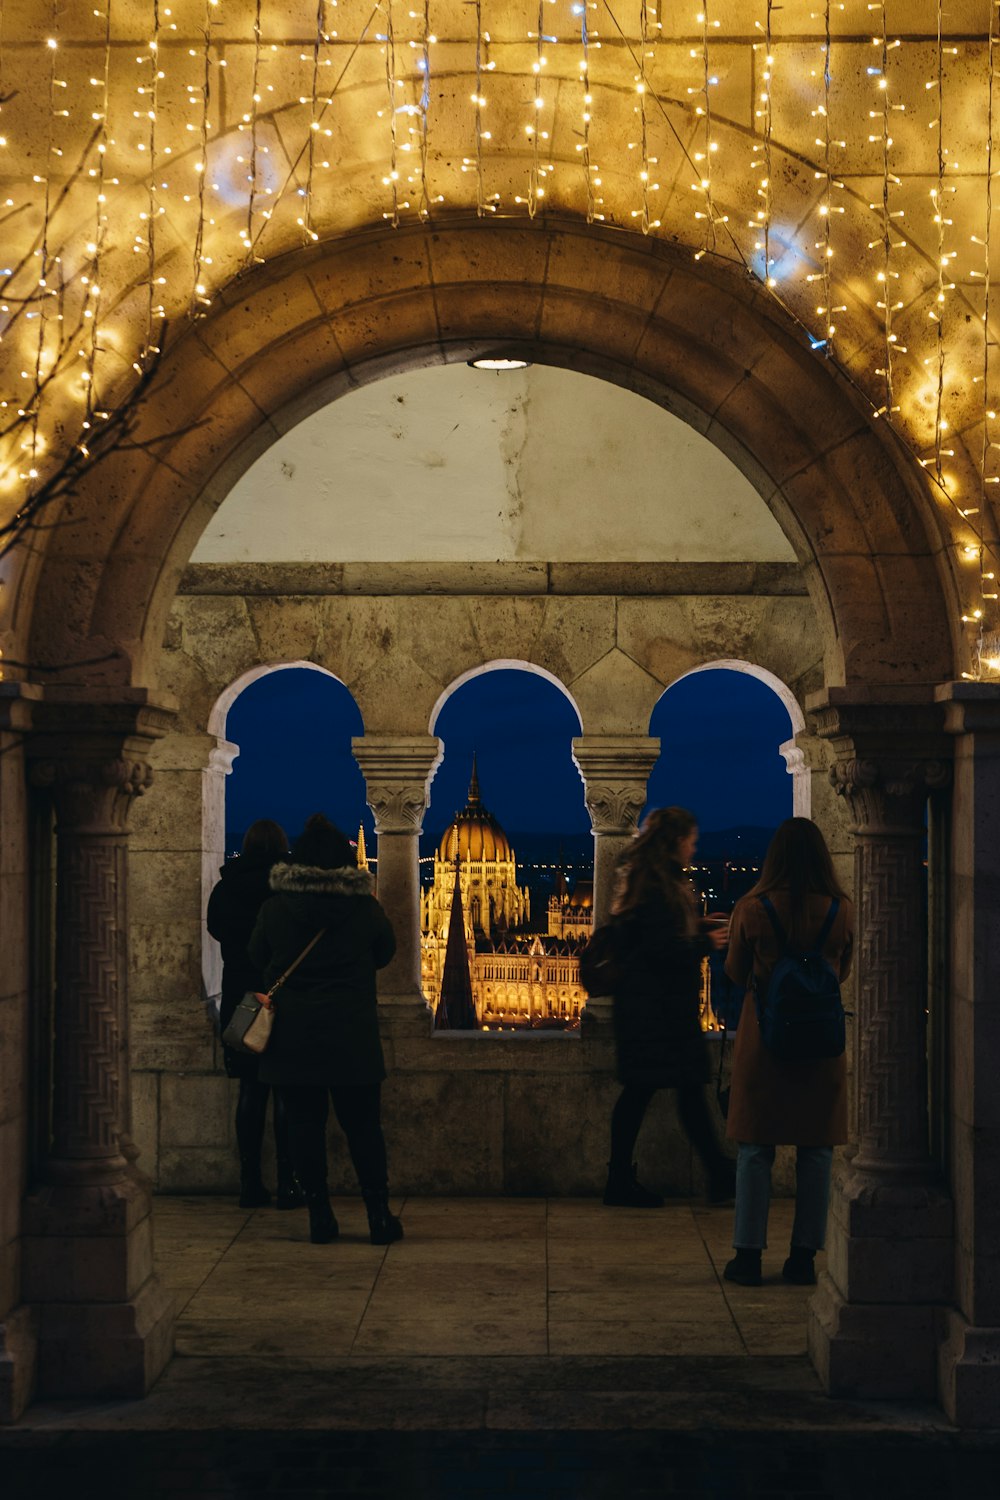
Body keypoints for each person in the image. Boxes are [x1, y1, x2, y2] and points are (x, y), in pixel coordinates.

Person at [248, 813, 399, 1246]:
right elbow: (386, 952)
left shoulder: (275, 908)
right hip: (352, 1034)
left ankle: (320, 1216)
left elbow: (257, 956)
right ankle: (378, 1216)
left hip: (294, 1037)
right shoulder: (363, 908)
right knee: (364, 1127)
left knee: (304, 1128)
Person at [722, 817, 854, 1288]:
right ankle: (802, 1258)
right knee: (816, 1152)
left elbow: (736, 973)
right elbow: (839, 974)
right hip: (821, 1045)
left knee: (756, 1149)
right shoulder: (842, 910)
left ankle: (748, 1255)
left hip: (767, 1042)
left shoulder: (752, 909)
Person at [604, 806, 735, 1208]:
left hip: (648, 1008)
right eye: (692, 842)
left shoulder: (644, 876)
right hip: (658, 1009)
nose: (694, 850)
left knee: (651, 1092)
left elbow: (653, 937)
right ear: (678, 841)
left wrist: (698, 926)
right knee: (678, 1090)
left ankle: (624, 1179)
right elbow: (659, 949)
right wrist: (705, 943)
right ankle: (718, 1172)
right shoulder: (657, 884)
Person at [207, 818, 304, 1211]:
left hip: (242, 999)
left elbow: (215, 929)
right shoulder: (289, 888)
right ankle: (287, 1183)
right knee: (283, 1091)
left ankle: (249, 1182)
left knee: (249, 1091)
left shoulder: (226, 887)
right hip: (283, 1000)